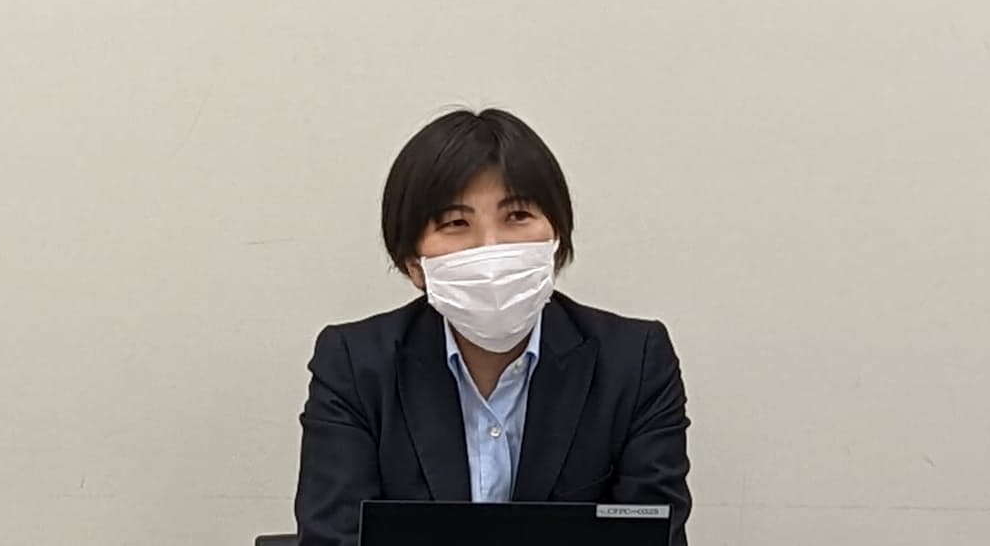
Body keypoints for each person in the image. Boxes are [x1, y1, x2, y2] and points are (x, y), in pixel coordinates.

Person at [294, 108, 692, 546]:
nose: (491, 248)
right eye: (456, 224)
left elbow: (655, 534)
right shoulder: (354, 367)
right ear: (414, 264)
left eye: (517, 216)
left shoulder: (634, 364)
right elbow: (334, 537)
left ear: (556, 239)